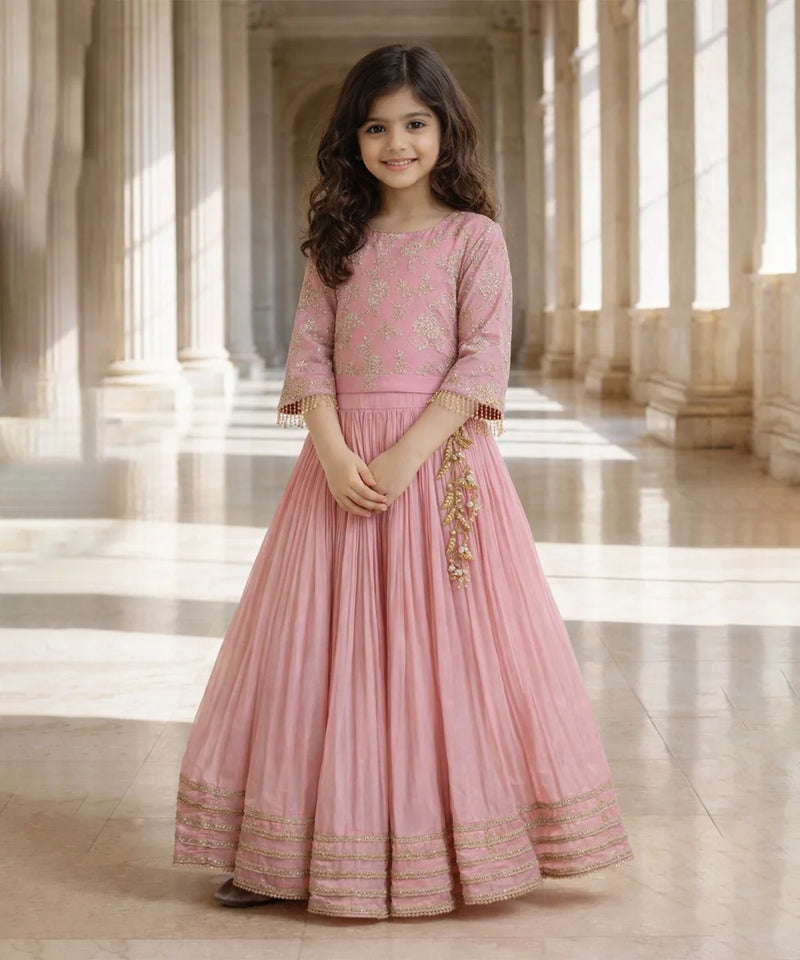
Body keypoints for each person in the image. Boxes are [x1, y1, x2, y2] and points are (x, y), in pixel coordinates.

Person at [174, 43, 632, 920]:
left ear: (444, 131)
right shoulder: (338, 240)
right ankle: (288, 851)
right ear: (352, 140)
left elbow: (480, 358)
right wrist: (339, 453)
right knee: (319, 652)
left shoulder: (474, 237)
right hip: (339, 467)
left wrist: (404, 456)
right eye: (377, 127)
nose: (397, 143)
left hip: (438, 465)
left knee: (443, 654)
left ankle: (456, 851)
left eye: (414, 124)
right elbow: (308, 348)